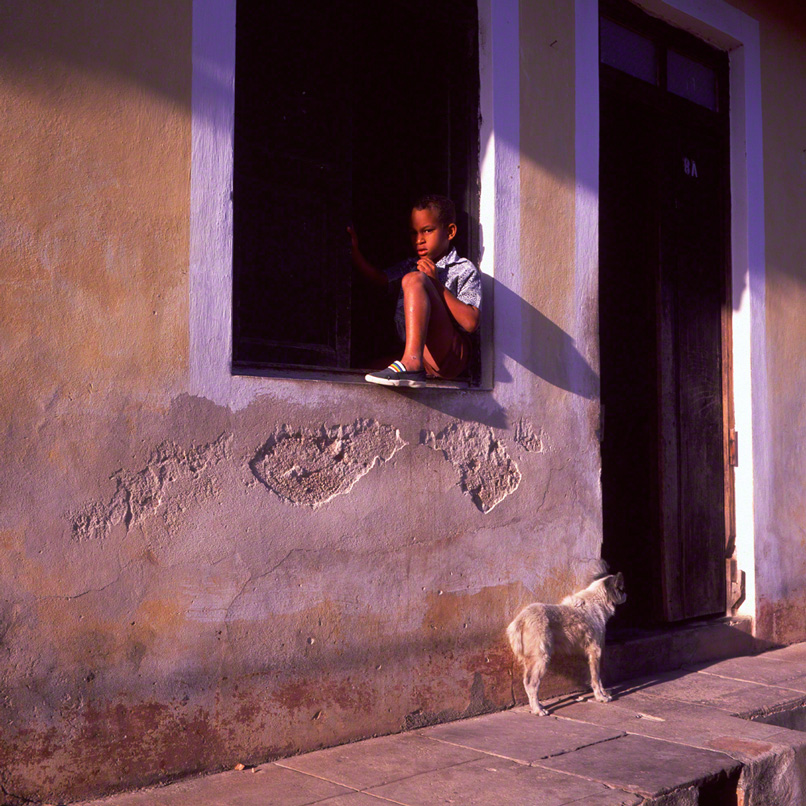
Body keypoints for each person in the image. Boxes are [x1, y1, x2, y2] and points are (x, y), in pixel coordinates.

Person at [348, 194, 481, 388]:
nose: (419, 240)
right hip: (425, 360)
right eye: (413, 233)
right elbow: (380, 279)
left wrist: (435, 283)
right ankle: (412, 362)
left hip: (452, 356)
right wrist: (354, 252)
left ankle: (411, 364)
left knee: (415, 279)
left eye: (427, 231)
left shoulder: (462, 268)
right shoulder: (411, 264)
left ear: (450, 232)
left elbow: (471, 322)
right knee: (363, 374)